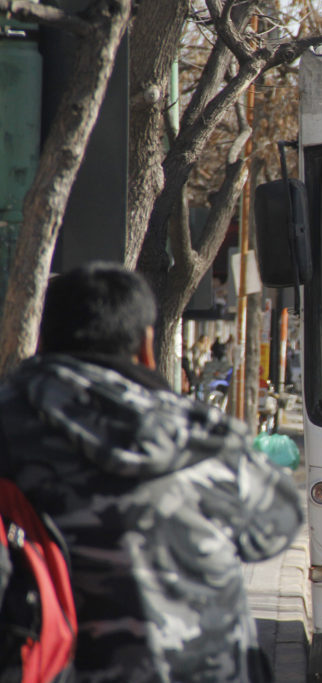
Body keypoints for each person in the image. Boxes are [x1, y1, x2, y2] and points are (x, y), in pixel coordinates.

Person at [0, 262, 303, 682]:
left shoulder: (10, 423)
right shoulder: (196, 434)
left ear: (42, 339)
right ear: (145, 346)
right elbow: (280, 523)